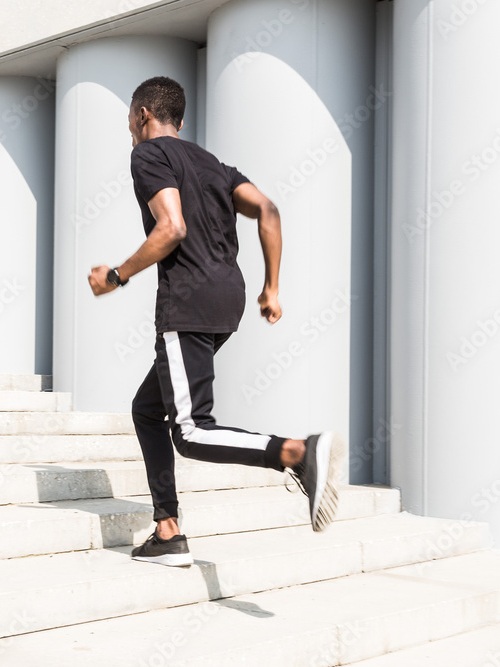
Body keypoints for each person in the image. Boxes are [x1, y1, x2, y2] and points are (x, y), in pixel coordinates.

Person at [87, 76, 343, 567]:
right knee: (148, 409)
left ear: (142, 116)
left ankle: (296, 452)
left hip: (188, 301)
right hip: (229, 299)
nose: (131, 133)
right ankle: (167, 531)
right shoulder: (215, 165)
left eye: (130, 123)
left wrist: (117, 276)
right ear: (180, 121)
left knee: (190, 430)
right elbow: (268, 209)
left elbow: (172, 227)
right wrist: (272, 287)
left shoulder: (148, 154)